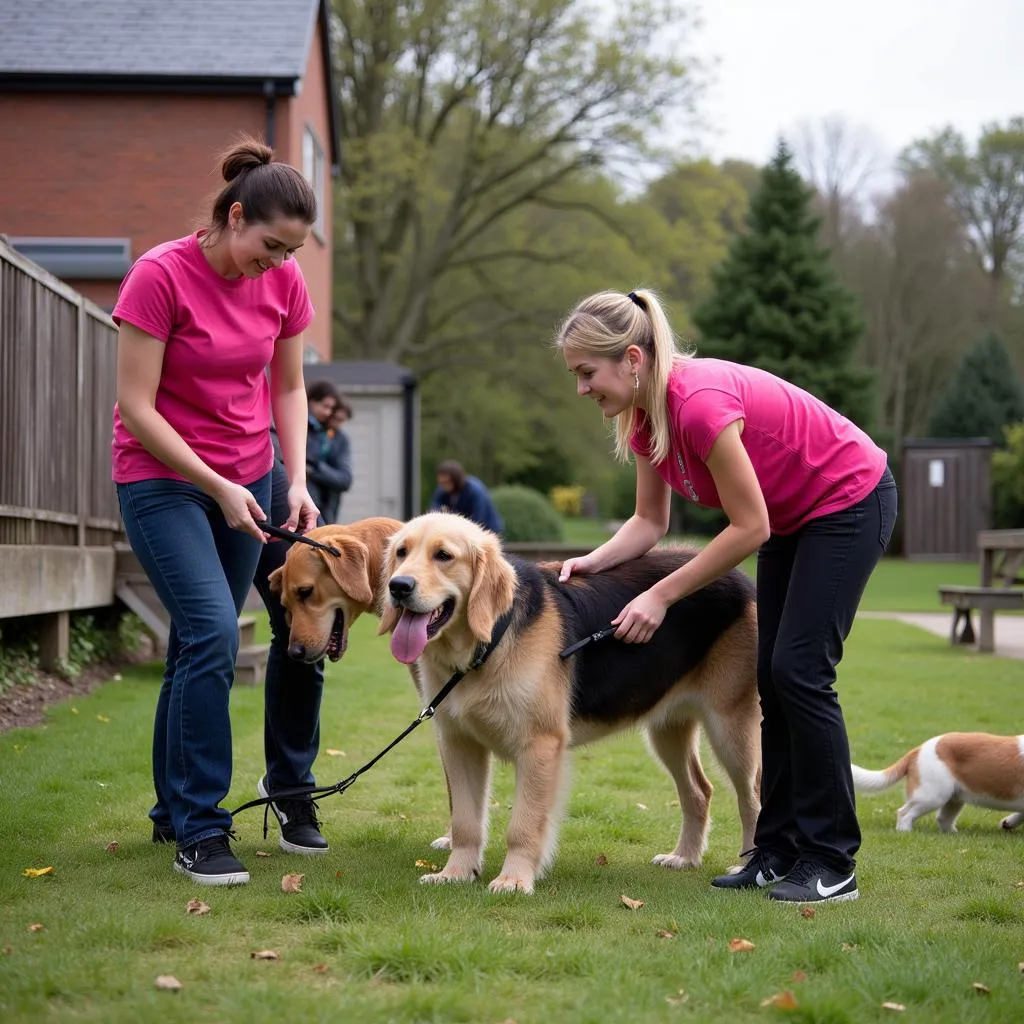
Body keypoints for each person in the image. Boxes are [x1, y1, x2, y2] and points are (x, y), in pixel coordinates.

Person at [555, 288, 897, 904]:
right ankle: (776, 850)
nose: (581, 389)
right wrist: (591, 562)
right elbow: (648, 523)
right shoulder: (644, 419)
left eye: (587, 373)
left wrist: (659, 596)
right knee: (771, 674)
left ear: (632, 359)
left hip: (848, 500)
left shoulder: (697, 403)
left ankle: (830, 858)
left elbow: (750, 527)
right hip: (794, 518)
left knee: (801, 671)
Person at [113, 136, 321, 886]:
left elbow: (290, 388)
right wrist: (216, 482)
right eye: (269, 246)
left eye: (291, 253)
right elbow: (137, 407)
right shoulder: (158, 276)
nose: (277, 264)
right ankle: (201, 830)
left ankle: (174, 810)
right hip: (164, 480)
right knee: (208, 631)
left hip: (254, 478)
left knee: (194, 647)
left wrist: (293, 478)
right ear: (235, 217)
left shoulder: (284, 282)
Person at [311, 391, 354, 524]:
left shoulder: (341, 440)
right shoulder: (310, 432)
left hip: (328, 508)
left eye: (341, 421)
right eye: (334, 419)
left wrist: (315, 469)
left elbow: (344, 479)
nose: (336, 425)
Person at [429, 459, 503, 534]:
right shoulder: (442, 490)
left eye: (446, 482)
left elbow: (479, 518)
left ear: (455, 479)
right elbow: (435, 510)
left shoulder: (475, 491)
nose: (443, 485)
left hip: (488, 530)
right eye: (441, 482)